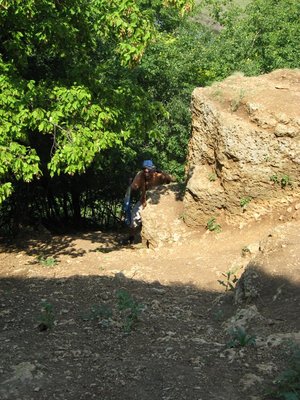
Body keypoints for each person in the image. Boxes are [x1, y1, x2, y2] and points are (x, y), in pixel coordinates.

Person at [123, 159, 173, 245]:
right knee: (134, 216)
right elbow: (134, 187)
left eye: (148, 169)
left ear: (152, 169)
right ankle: (131, 237)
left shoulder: (158, 175)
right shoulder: (140, 175)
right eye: (144, 168)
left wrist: (163, 173)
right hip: (144, 200)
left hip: (157, 202)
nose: (146, 170)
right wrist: (131, 187)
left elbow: (170, 179)